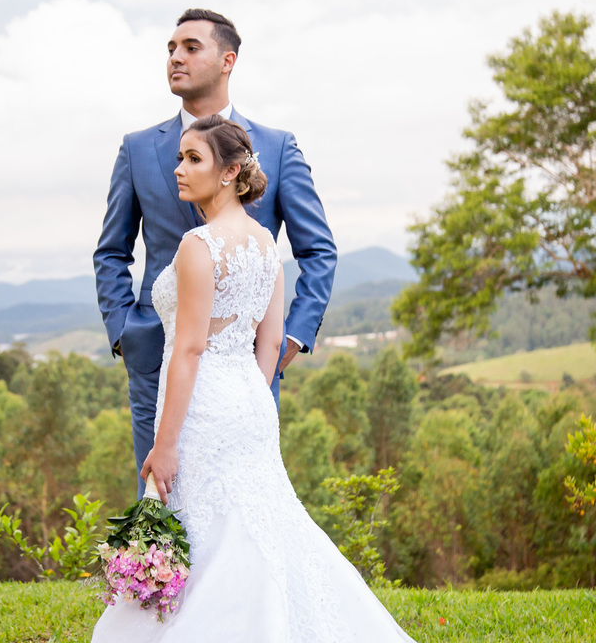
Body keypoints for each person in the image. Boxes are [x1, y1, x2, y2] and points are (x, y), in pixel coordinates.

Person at [90, 116, 414, 642]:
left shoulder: (198, 245)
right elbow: (269, 341)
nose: (179, 169)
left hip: (201, 405)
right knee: (257, 524)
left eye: (193, 158)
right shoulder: (266, 243)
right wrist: (250, 396)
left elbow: (190, 349)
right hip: (248, 403)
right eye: (179, 157)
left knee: (207, 528)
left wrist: (164, 445)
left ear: (229, 171)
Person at [94, 9, 336, 496]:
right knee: (161, 491)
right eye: (170, 49)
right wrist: (125, 331)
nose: (175, 58)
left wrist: (293, 338)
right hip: (155, 353)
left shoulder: (278, 146)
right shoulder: (137, 149)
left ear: (227, 61)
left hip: (242, 363)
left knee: (242, 495)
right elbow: (111, 251)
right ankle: (161, 576)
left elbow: (319, 251)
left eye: (190, 47)